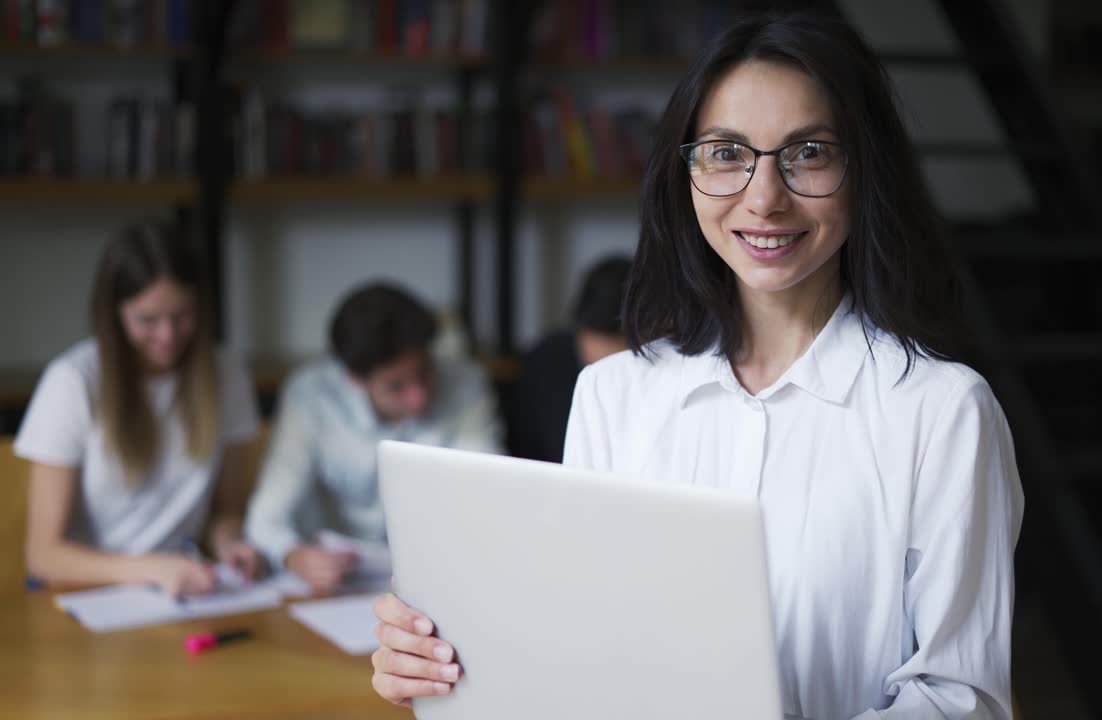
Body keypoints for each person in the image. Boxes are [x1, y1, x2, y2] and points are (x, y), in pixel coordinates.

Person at [369, 11, 1023, 720]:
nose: (765, 197)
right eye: (725, 153)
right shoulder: (612, 395)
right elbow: (581, 655)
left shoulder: (942, 412)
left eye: (807, 153)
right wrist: (442, 663)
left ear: (864, 170)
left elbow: (963, 702)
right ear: (684, 174)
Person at [16, 221, 263, 596]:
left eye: (182, 315)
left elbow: (225, 510)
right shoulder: (73, 380)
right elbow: (43, 553)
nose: (167, 336)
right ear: (115, 314)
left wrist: (228, 542)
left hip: (186, 585)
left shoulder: (225, 373)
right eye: (147, 320)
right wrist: (152, 569)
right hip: (94, 592)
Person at [244, 282, 502, 594]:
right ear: (354, 379)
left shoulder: (465, 384)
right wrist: (293, 555)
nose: (419, 397)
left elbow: (489, 497)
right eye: (396, 386)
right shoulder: (311, 397)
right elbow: (265, 517)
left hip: (441, 578)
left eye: (424, 372)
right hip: (339, 585)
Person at [502, 256, 631, 463]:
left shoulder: (652, 374)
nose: (604, 351)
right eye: (596, 335)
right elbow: (523, 451)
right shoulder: (544, 362)